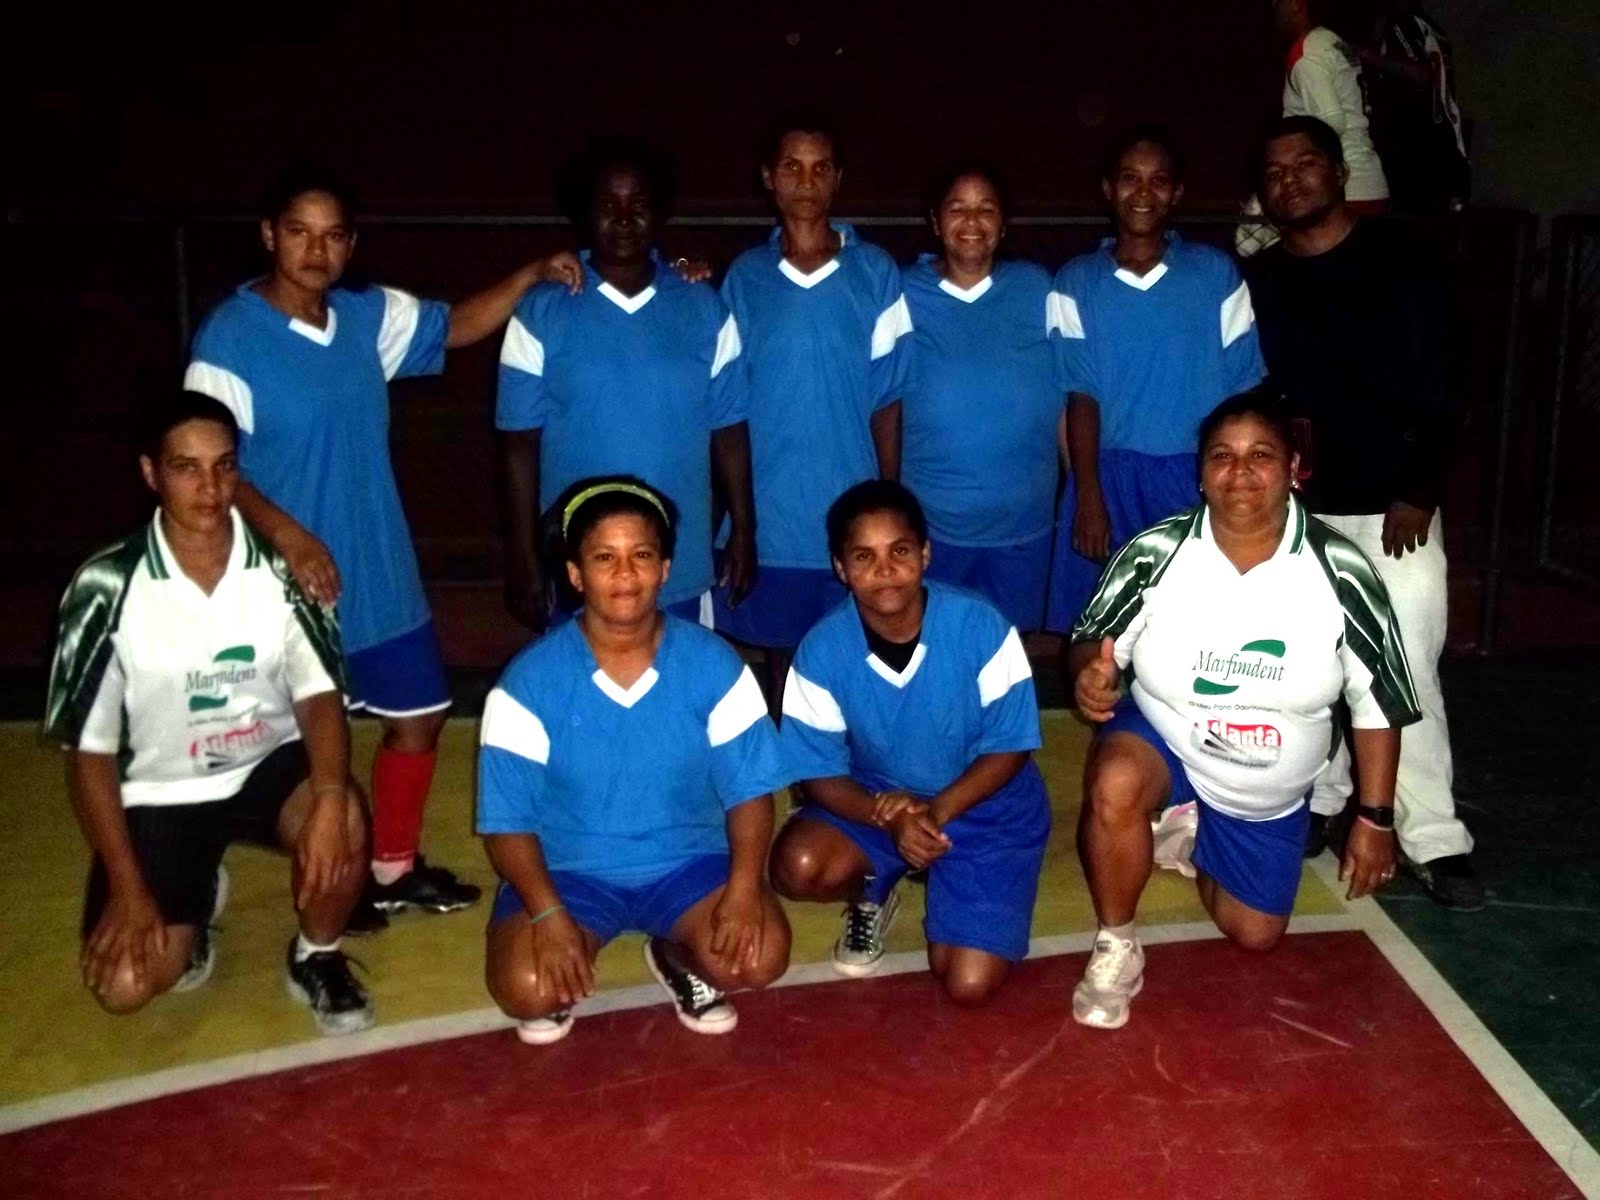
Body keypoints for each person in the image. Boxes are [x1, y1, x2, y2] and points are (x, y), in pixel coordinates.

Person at [184, 167, 582, 928]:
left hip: (378, 566)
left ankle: (391, 868)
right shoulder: (230, 337)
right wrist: (290, 536)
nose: (316, 250)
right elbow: (211, 467)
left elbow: (455, 326)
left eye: (333, 235)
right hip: (284, 578)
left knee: (419, 716)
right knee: (281, 749)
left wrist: (530, 273)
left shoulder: (364, 317)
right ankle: (204, 866)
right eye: (298, 232)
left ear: (350, 244)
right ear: (268, 236)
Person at [1067, 392, 1416, 1030]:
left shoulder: (1342, 569)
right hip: (1170, 734)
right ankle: (1117, 943)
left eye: (1261, 455)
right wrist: (1091, 674)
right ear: (1200, 473)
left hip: (1266, 776)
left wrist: (1375, 817)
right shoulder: (1155, 551)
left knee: (1255, 933)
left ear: (1293, 469)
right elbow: (1094, 639)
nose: (1240, 472)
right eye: (1222, 456)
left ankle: (1191, 832)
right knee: (1115, 781)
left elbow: (1378, 700)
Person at [44, 392, 374, 1035]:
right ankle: (193, 903)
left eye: (223, 467)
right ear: (151, 473)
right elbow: (90, 754)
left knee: (347, 819)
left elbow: (319, 698)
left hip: (266, 767)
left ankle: (317, 954)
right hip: (159, 793)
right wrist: (128, 887)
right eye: (185, 468)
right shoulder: (106, 587)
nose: (210, 487)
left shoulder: (285, 570)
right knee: (125, 986)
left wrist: (332, 798)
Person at [1245, 116, 1481, 909]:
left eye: (1305, 164)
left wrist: (1421, 489)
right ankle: (1321, 798)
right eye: (1275, 172)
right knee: (1309, 667)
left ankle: (1434, 837)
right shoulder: (1263, 279)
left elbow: (1452, 382)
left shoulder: (1407, 262)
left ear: (1340, 172)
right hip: (1302, 515)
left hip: (1394, 512)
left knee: (1401, 670)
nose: (1291, 181)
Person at [479, 477, 792, 1044]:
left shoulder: (713, 665)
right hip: (569, 871)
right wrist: (547, 916)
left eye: (642, 555)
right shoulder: (528, 682)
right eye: (604, 558)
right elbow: (507, 821)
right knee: (529, 989)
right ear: (575, 574)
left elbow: (750, 791)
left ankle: (676, 954)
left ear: (665, 568)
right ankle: (562, 929)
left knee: (757, 960)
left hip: (689, 864)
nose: (625, 574)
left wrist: (744, 889)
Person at [770, 481, 1050, 1006]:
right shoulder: (822, 650)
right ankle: (874, 888)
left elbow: (1012, 746)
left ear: (925, 553)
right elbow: (817, 771)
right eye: (864, 556)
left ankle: (951, 871)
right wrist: (889, 817)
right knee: (799, 866)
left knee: (967, 983)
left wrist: (935, 812)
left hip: (982, 803)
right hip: (883, 798)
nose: (885, 570)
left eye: (899, 551)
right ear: (840, 568)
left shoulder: (980, 626)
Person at [497, 139, 755, 633]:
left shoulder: (704, 308)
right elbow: (517, 447)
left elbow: (730, 431)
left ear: (659, 211)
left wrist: (744, 528)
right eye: (607, 204)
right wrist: (523, 555)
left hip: (678, 562)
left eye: (638, 203)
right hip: (577, 562)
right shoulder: (541, 311)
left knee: (682, 679)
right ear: (584, 212)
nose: (622, 218)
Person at [714, 114, 913, 714]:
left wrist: (888, 499)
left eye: (820, 168)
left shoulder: (875, 272)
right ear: (769, 178)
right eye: (792, 168)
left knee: (852, 654)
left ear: (838, 179)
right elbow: (727, 405)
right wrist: (740, 521)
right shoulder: (746, 278)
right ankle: (793, 759)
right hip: (773, 510)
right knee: (781, 658)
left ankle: (850, 758)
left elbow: (888, 397)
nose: (806, 181)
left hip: (849, 501)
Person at [1046, 125, 1266, 634]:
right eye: (1129, 178)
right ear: (1108, 188)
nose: (1143, 192)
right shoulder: (1075, 281)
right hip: (1110, 476)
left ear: (1177, 192)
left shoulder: (1215, 274)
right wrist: (1088, 494)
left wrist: (1239, 481)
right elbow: (1081, 395)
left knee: (1196, 629)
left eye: (1158, 180)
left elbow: (1244, 391)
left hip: (1195, 477)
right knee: (1102, 633)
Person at [900, 165, 1062, 633]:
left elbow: (1068, 397)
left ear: (1003, 224)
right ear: (935, 221)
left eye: (986, 209)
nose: (972, 220)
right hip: (932, 527)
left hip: (1023, 525)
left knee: (1010, 653)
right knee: (937, 649)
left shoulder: (1038, 288)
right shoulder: (902, 291)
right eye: (958, 208)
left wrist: (1080, 494)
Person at [1271, 0, 1390, 213]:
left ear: (1297, 4)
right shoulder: (1331, 40)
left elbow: (1331, 122)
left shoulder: (1307, 53)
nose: (1273, 8)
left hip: (1341, 193)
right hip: (1366, 179)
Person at [1359, 0, 1470, 212]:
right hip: (1437, 146)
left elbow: (1420, 74)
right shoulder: (1428, 26)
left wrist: (1365, 54)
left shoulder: (1405, 23)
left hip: (1419, 149)